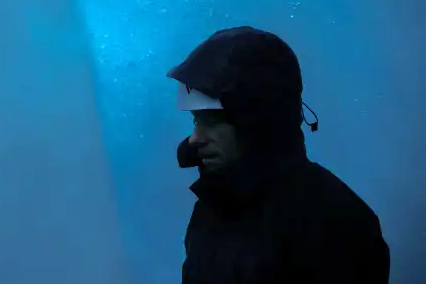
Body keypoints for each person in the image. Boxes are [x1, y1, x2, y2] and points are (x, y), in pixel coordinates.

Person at [167, 26, 390, 284]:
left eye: (213, 122)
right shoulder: (215, 207)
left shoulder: (335, 222)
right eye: (197, 121)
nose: (195, 139)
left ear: (256, 120)